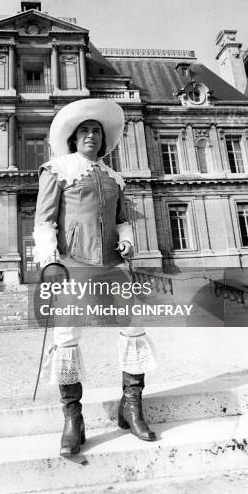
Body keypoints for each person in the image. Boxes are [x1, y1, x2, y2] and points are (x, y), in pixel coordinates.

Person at [33, 98, 156, 455]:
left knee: (133, 327)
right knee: (68, 335)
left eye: (97, 132)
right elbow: (44, 222)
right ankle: (73, 418)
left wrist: (128, 240)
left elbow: (122, 220)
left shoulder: (112, 177)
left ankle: (131, 407)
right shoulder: (56, 170)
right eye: (85, 130)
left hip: (112, 265)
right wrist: (49, 262)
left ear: (103, 141)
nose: (91, 136)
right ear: (74, 138)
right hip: (74, 263)